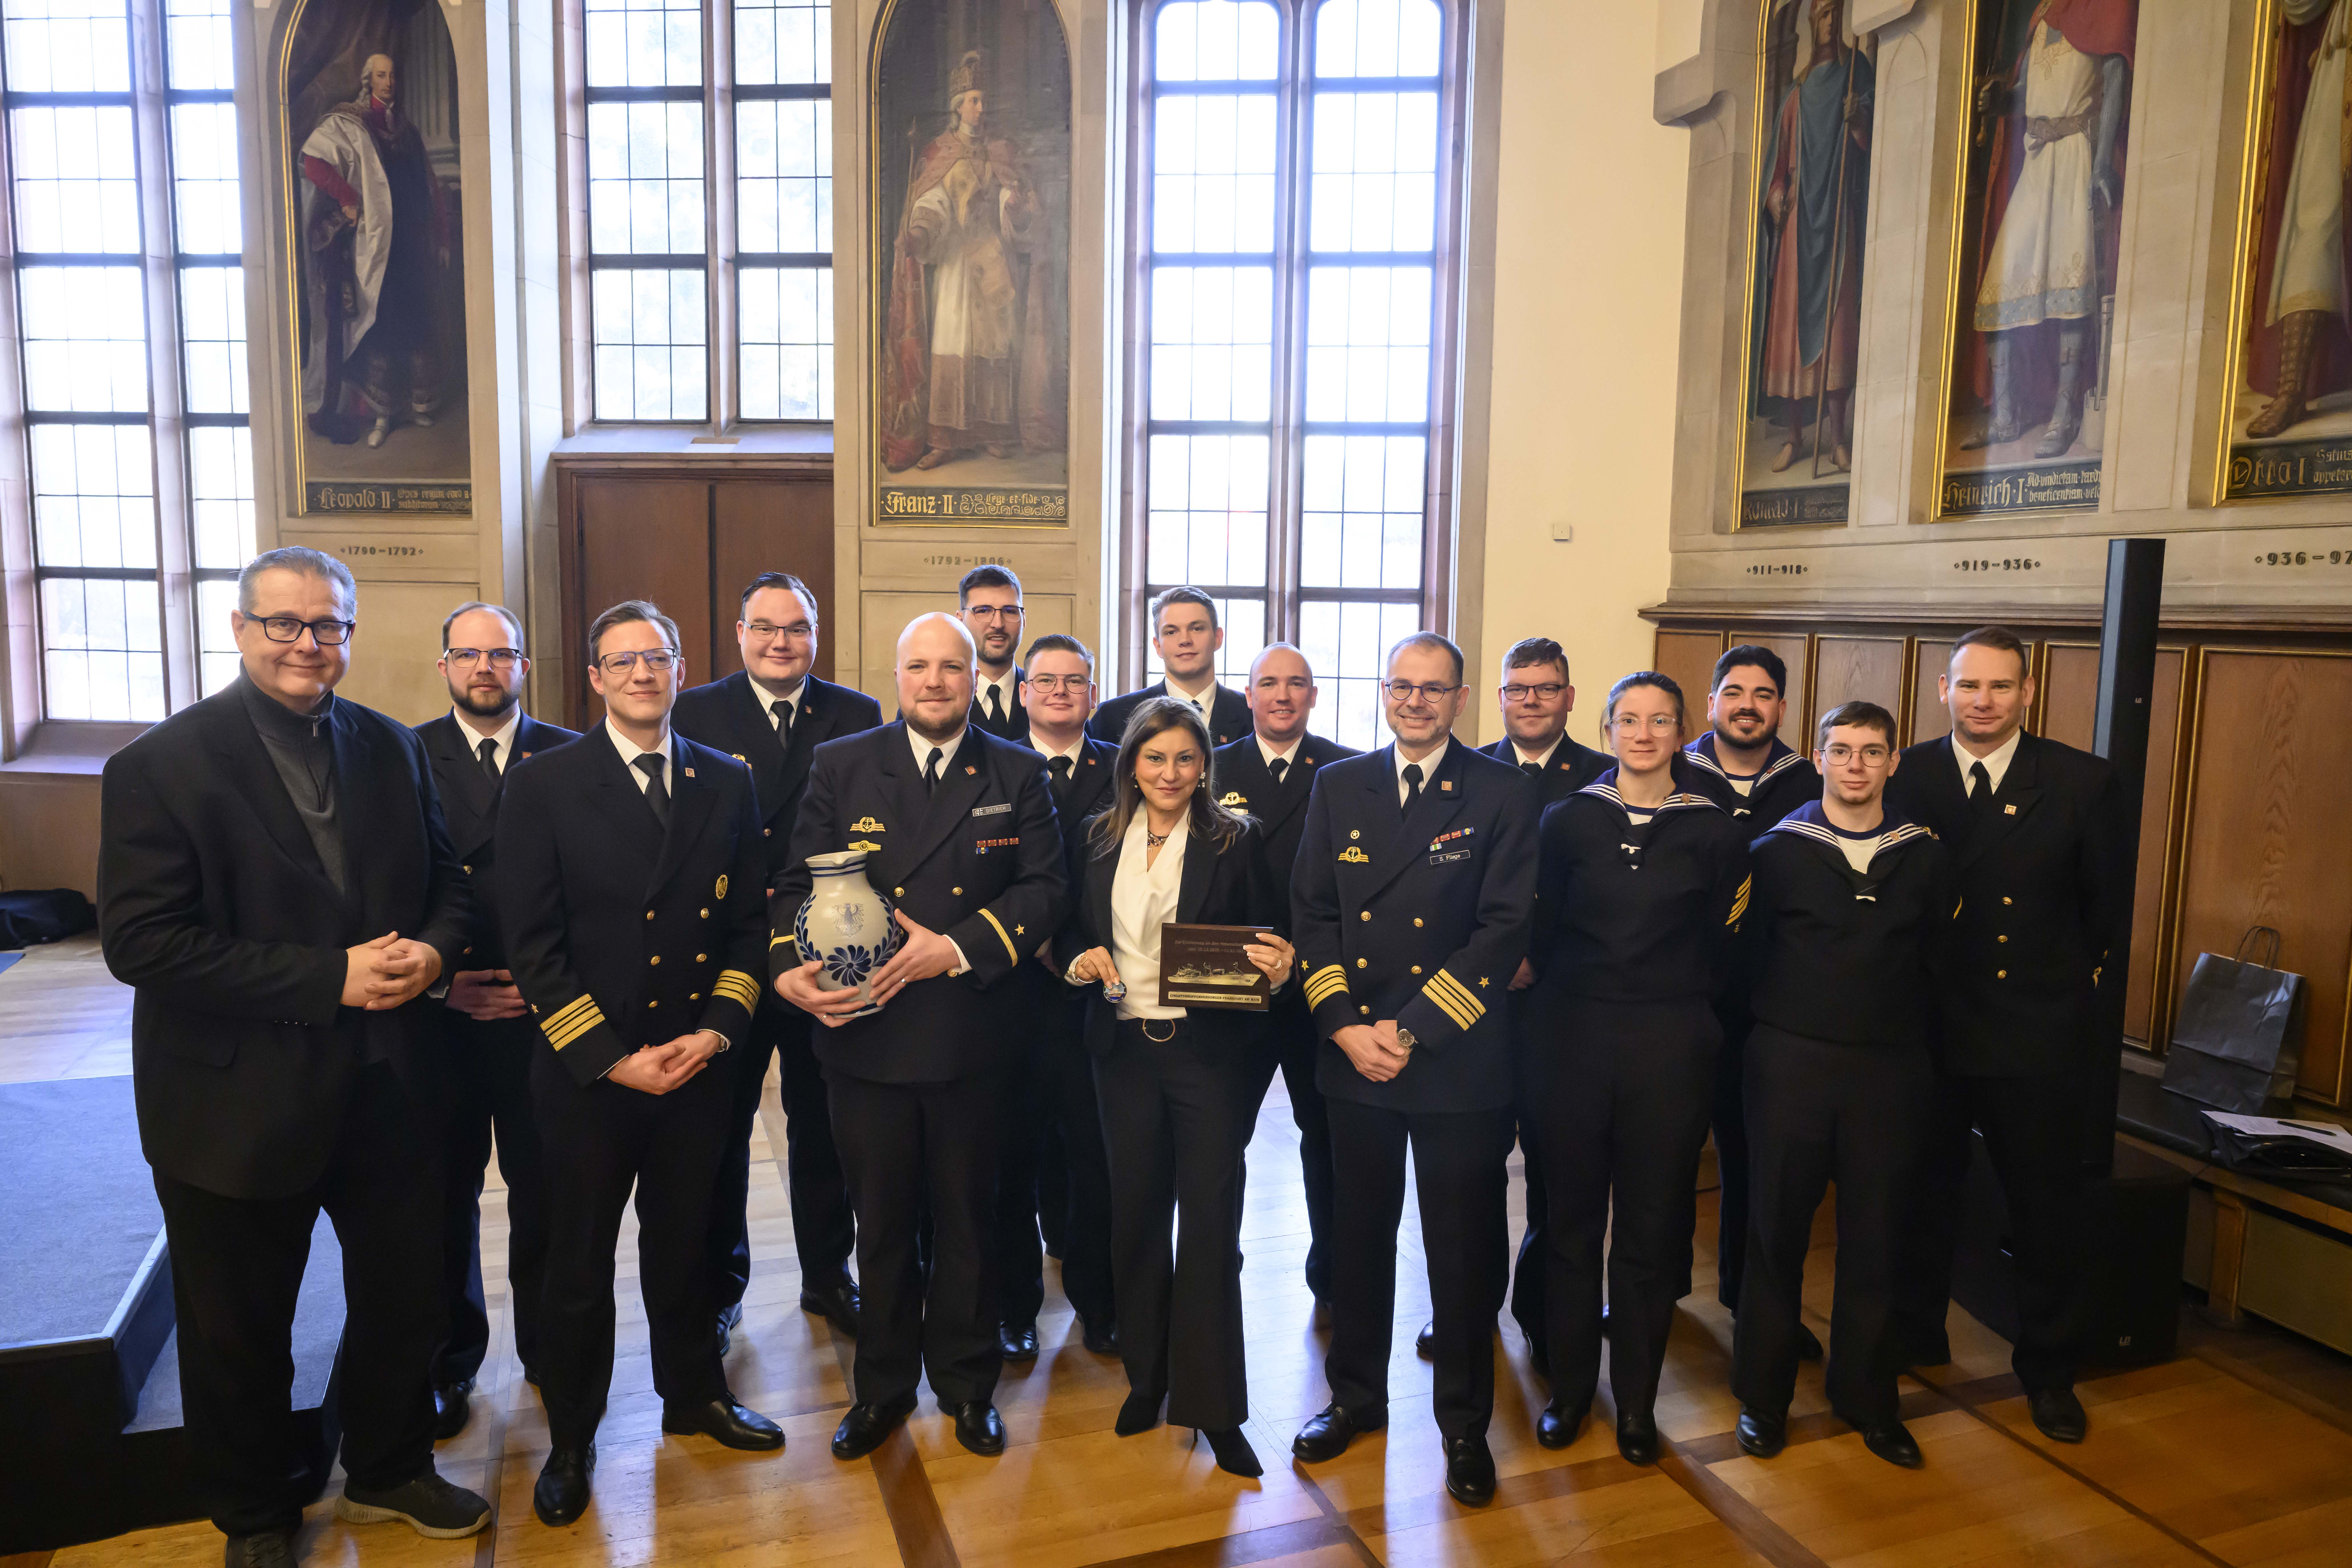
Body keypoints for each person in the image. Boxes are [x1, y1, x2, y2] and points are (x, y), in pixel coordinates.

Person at [98, 547, 490, 1566]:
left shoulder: (393, 749)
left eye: (329, 626)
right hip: (237, 1102)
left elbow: (451, 884)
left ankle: (390, 1468)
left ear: (351, 637)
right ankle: (259, 1514)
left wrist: (438, 952)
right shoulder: (160, 765)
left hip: (392, 1083)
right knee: (240, 1328)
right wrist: (332, 977)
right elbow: (142, 944)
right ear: (239, 629)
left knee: (407, 1297)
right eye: (286, 624)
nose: (309, 644)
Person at [498, 601, 784, 1526]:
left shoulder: (726, 781)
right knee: (578, 1264)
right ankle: (574, 1436)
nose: (640, 674)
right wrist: (612, 1059)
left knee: (688, 1244)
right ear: (594, 678)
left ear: (678, 666)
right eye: (620, 661)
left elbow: (748, 927)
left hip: (696, 1065)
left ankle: (693, 1395)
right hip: (593, 1074)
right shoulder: (543, 784)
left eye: (654, 658)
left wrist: (716, 1033)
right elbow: (533, 950)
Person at [772, 614, 1067, 1461]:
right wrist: (791, 968)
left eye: (951, 666)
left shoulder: (1016, 768)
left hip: (976, 1036)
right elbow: (795, 883)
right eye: (918, 667)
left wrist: (956, 945)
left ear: (975, 674)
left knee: (972, 1221)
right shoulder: (842, 764)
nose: (935, 681)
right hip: (868, 1037)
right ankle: (883, 1388)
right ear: (895, 675)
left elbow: (1046, 888)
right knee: (884, 1225)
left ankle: (968, 1387)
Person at [1287, 633, 1540, 1509]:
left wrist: (1411, 1027)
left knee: (1462, 1251)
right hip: (1356, 1056)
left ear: (1460, 700)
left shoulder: (1504, 791)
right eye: (1402, 686)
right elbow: (1312, 914)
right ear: (1383, 693)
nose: (1416, 701)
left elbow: (1502, 930)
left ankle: (1464, 1423)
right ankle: (1354, 1397)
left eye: (1434, 690)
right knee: (1355, 1240)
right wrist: (1346, 1026)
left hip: (1455, 1059)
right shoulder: (1338, 784)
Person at [1887, 626, 2126, 1445]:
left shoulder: (2080, 781)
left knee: (2046, 1208)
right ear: (1943, 691)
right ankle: (1916, 1331)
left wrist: (2052, 982)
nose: (1982, 702)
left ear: (2028, 693)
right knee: (1922, 1192)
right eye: (1968, 686)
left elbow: (2103, 915)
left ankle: (2050, 1369)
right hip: (1928, 1023)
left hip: (2035, 1026)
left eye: (2000, 687)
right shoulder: (1906, 773)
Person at [1521, 672, 1751, 1465]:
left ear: (1683, 731)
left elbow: (1729, 948)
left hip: (1670, 1048)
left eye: (1660, 720)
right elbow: (1540, 932)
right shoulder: (1568, 820)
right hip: (1573, 1041)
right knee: (1572, 1228)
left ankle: (1639, 1407)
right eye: (1629, 720)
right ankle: (1572, 1392)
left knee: (1651, 1236)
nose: (1644, 733)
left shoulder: (1718, 833)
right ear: (1608, 727)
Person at [1063, 698, 1294, 1478]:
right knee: (1135, 1221)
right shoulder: (1097, 837)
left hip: (1207, 1058)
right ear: (1133, 763)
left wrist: (1277, 964)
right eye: (1156, 759)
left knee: (1209, 1230)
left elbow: (1268, 937)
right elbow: (1066, 928)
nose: (1170, 774)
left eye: (1186, 760)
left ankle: (1216, 1406)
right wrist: (1077, 959)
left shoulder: (1235, 839)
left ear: (1205, 768)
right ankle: (1147, 1379)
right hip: (1121, 1055)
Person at [1731, 701, 1952, 1470]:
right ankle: (1763, 1399)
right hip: (1789, 1063)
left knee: (1877, 1240)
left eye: (1872, 753)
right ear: (1817, 759)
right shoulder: (1774, 852)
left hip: (1889, 1071)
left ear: (1894, 763)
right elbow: (1745, 960)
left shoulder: (1924, 855)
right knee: (1775, 1237)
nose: (1856, 766)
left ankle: (1867, 1398)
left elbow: (1936, 967)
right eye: (1842, 751)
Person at [672, 572, 880, 1356]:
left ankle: (828, 1275)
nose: (780, 642)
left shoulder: (854, 714)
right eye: (766, 628)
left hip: (820, 951)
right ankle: (722, 1289)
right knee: (720, 1127)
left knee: (823, 1124)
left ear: (815, 636)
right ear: (739, 634)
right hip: (727, 953)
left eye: (795, 629)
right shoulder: (696, 712)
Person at [412, 601, 577, 1438]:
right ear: (443, 666)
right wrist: (443, 984)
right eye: (468, 654)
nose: (485, 667)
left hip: (546, 1019)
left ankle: (549, 1348)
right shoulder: (400, 754)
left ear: (523, 667)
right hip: (437, 1020)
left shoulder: (573, 758)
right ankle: (448, 1359)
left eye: (501, 653)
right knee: (443, 1194)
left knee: (544, 1190)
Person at [1453, 636, 1609, 1365]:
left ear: (1570, 698)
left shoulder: (1604, 779)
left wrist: (1533, 961)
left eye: (1546, 688)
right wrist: (1493, 966)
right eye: (1518, 689)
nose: (1532, 700)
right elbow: (1448, 893)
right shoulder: (1468, 774)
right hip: (1477, 1013)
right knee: (1475, 1172)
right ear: (1500, 698)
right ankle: (1469, 1310)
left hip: (1563, 1011)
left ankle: (1547, 1313)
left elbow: (1607, 904)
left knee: (1555, 1174)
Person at [1681, 645, 1822, 1349]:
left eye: (1763, 694)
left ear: (1780, 708)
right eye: (1733, 690)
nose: (1747, 704)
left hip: (1768, 1008)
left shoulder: (1810, 781)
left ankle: (1750, 1301)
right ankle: (1658, 1288)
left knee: (1752, 1161)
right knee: (1667, 1156)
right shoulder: (1670, 771)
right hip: (1675, 1000)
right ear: (1710, 703)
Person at [1210, 644, 1357, 1319]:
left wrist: (1304, 953)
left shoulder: (1348, 769)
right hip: (1229, 983)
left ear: (1312, 695)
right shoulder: (1212, 766)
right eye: (1269, 683)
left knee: (1324, 1131)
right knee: (1219, 1134)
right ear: (1248, 694)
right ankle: (1215, 1263)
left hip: (1314, 979)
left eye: (1297, 683)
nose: (1282, 695)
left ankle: (1332, 1271)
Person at [999, 633, 1121, 1358]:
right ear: (1022, 692)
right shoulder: (994, 766)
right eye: (1044, 681)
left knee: (1096, 1163)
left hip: (1099, 997)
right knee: (1008, 1165)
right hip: (1010, 997)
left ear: (1093, 695)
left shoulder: (1124, 771)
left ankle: (1099, 1302)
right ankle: (1013, 1310)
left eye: (1073, 681)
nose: (1058, 692)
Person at [1960, 0, 2135, 458]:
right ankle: (2006, 413)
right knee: (2000, 293)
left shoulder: (2107, 5)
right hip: (2037, 164)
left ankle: (2066, 410)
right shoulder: (2040, 14)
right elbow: (2028, 90)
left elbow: (2116, 75)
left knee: (2071, 291)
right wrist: (2002, 99)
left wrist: (2101, 164)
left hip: (2077, 153)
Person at [879, 50, 1057, 471]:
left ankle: (994, 432)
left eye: (983, 100)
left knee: (997, 344)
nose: (981, 107)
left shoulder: (1000, 153)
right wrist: (920, 231)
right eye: (974, 100)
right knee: (953, 344)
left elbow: (1010, 207)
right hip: (957, 267)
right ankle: (946, 439)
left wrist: (1013, 207)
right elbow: (933, 202)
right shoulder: (939, 152)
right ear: (958, 106)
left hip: (994, 264)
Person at [299, 52, 451, 449]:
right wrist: (348, 197)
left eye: (393, 75)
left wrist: (443, 237)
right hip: (375, 244)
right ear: (369, 80)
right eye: (382, 75)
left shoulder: (407, 130)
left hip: (410, 244)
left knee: (414, 320)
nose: (389, 82)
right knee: (380, 323)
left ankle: (418, 405)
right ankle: (383, 414)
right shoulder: (349, 123)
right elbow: (313, 161)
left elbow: (429, 186)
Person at [1752, 0, 1873, 473]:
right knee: (1793, 339)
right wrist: (1776, 196)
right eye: (1822, 12)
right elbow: (1776, 170)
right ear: (1810, 20)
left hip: (1837, 217)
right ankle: (1797, 437)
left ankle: (1837, 437)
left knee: (1836, 329)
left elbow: (1875, 140)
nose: (1831, 20)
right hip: (1800, 226)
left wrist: (1858, 120)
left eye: (1836, 11)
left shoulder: (1855, 71)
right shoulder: (1796, 94)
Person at [1089, 586, 1251, 748]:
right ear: (1158, 646)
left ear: (1218, 638)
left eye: (1197, 629)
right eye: (1171, 632)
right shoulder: (1113, 717)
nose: (1185, 640)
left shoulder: (1252, 715)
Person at [959, 564, 1030, 742]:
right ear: (960, 622)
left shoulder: (1049, 697)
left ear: (1023, 620)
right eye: (983, 611)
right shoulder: (934, 699)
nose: (998, 624)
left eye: (1010, 611)